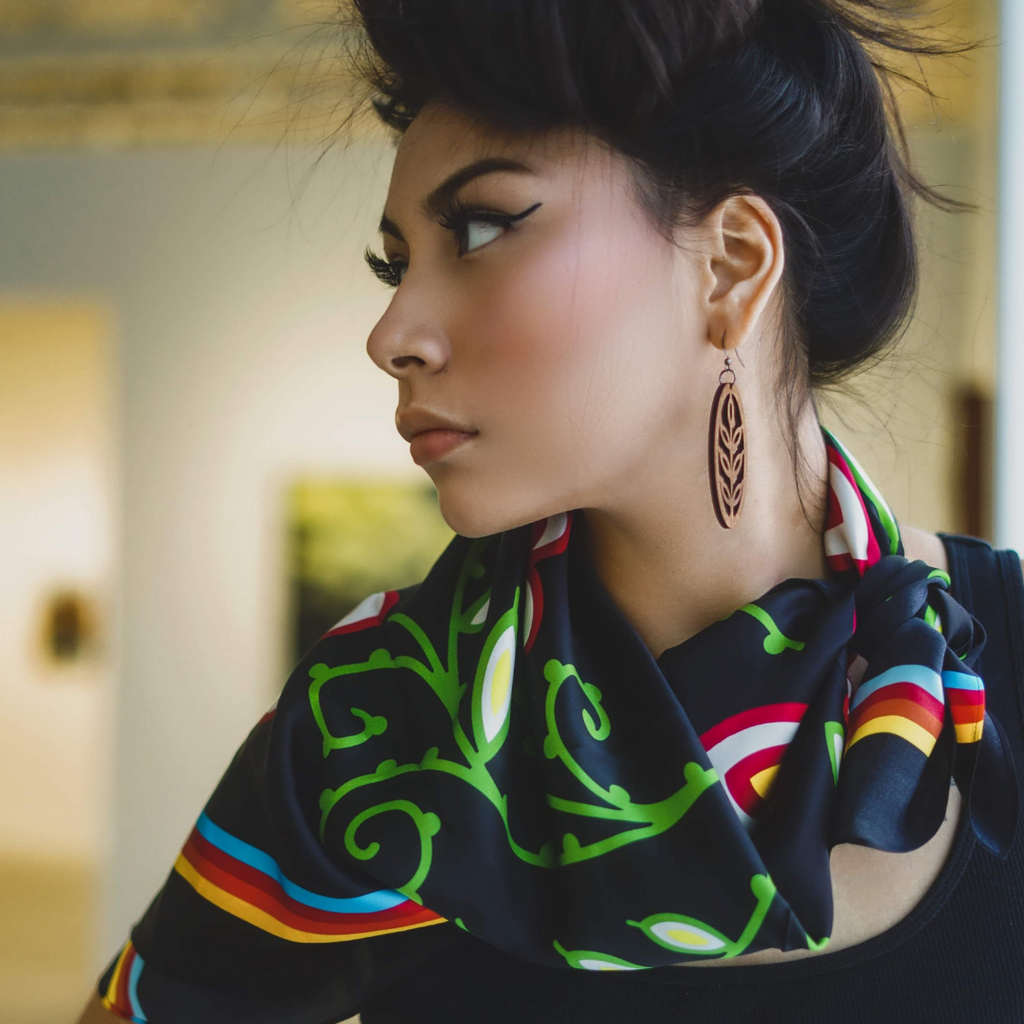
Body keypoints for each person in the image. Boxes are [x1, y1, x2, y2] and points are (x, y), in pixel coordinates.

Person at [79, 0, 1024, 1021]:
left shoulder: (1005, 643)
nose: (391, 332)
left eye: (480, 229)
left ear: (733, 266)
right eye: (397, 264)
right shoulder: (374, 737)